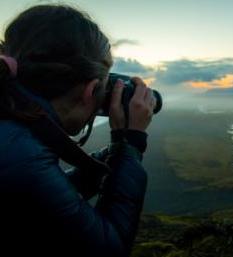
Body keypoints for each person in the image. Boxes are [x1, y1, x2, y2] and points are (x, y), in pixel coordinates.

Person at [0, 4, 154, 257]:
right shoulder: (21, 155)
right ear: (90, 90)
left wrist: (111, 158)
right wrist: (131, 144)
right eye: (104, 89)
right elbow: (108, 248)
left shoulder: (12, 128)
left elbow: (38, 201)